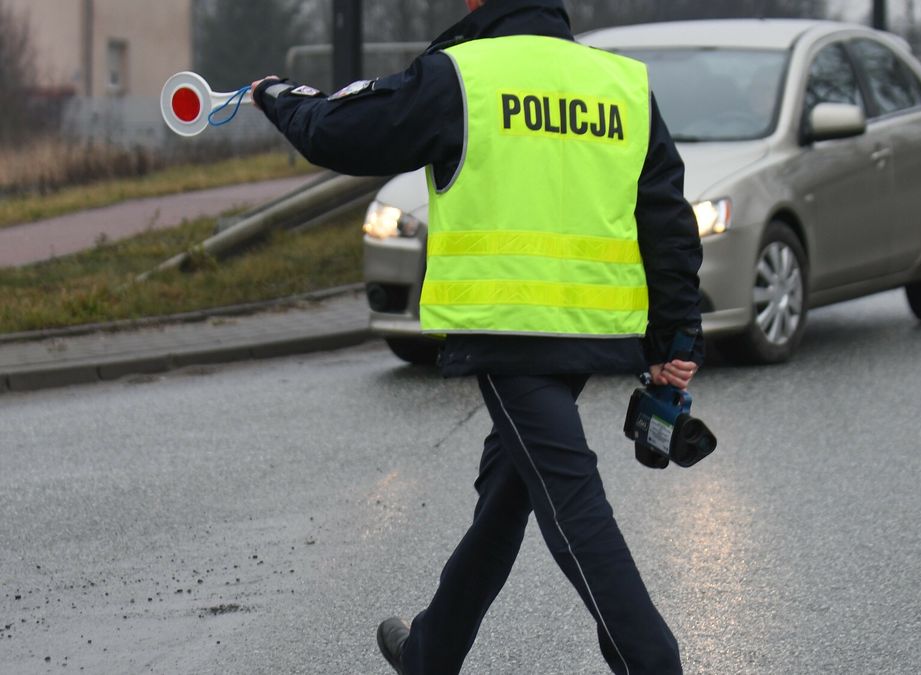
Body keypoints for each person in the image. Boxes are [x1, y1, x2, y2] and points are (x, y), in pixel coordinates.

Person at [251, 0, 703, 672]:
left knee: (570, 499)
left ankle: (653, 660)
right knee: (507, 493)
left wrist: (277, 97)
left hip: (506, 330)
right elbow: (665, 216)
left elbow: (340, 133)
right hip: (590, 327)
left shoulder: (461, 77)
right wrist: (676, 339)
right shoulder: (620, 84)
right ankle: (430, 654)